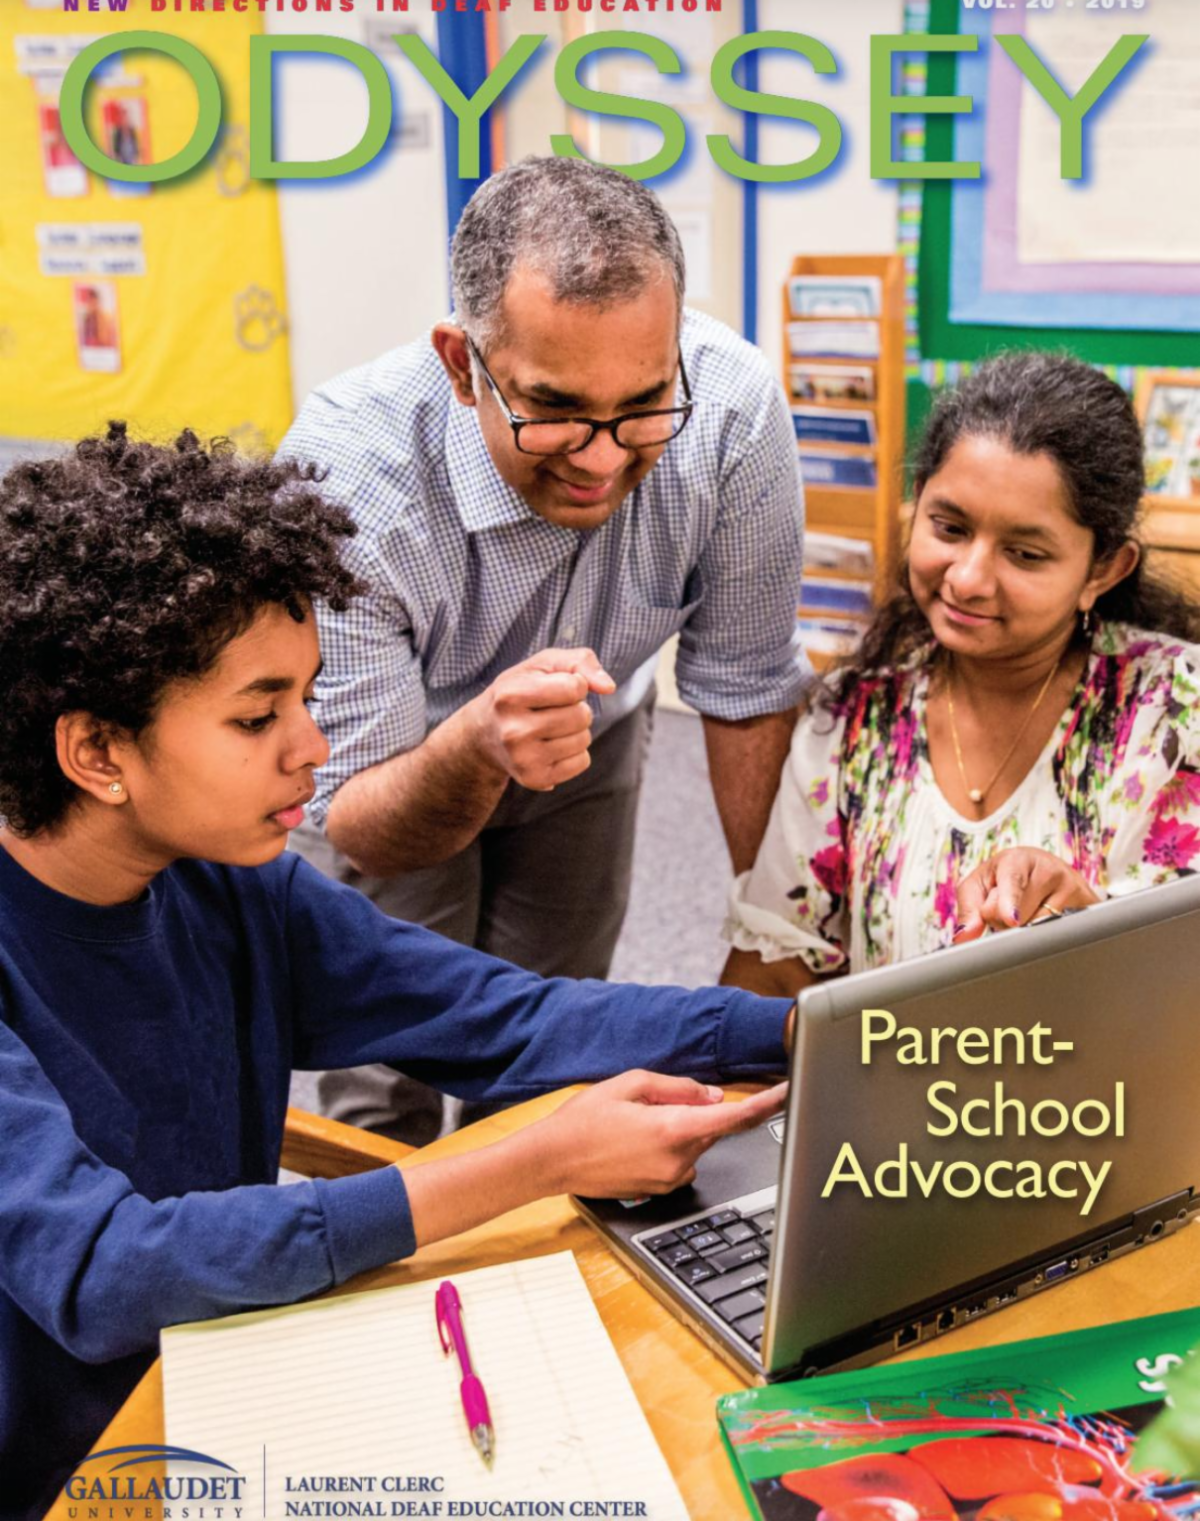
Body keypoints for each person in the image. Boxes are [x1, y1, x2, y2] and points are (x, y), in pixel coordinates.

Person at [0, 424, 792, 1521]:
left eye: (307, 698)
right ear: (96, 753)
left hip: (223, 1381)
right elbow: (105, 1273)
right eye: (256, 716)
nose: (314, 749)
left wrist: (811, 1029)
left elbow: (506, 1019)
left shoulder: (234, 885)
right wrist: (529, 1160)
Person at [281, 155, 807, 1139]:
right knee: (387, 1064)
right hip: (398, 757)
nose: (604, 457)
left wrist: (769, 929)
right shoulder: (345, 476)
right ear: (459, 360)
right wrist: (477, 746)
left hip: (589, 744)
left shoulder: (731, 415)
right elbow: (357, 821)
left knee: (549, 1045)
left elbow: (745, 686)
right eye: (555, 410)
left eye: (644, 404)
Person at [721, 350, 1200, 997]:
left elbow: (1174, 1005)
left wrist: (1091, 926)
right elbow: (773, 971)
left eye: (1024, 553)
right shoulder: (852, 717)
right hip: (891, 1083)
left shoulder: (1176, 715)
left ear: (1103, 570)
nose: (968, 578)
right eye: (949, 526)